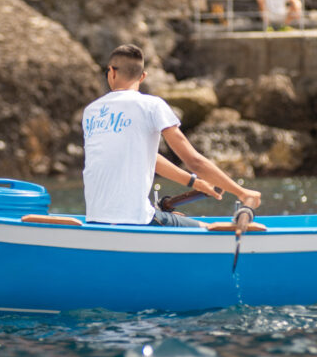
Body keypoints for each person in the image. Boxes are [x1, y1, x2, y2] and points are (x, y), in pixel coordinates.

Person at [82, 44, 262, 227]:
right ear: (143, 77)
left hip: (96, 219)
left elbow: (150, 158)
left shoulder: (91, 111)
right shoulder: (152, 105)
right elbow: (194, 161)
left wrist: (195, 183)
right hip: (137, 220)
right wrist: (241, 192)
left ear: (111, 72)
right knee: (208, 228)